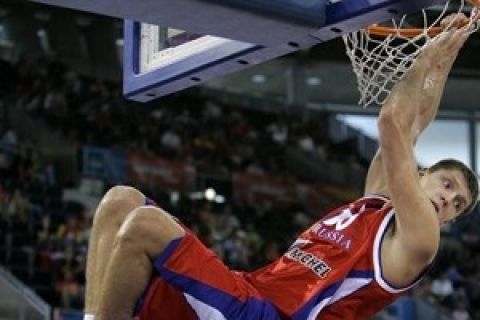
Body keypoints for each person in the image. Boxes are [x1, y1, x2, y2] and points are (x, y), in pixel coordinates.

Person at [83, 17, 479, 320]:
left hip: (270, 315)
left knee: (145, 225)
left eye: (457, 204)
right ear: (421, 173)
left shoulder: (420, 239)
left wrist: (425, 55)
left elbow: (393, 124)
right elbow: (412, 127)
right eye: (446, 184)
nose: (448, 199)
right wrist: (443, 60)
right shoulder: (374, 206)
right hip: (248, 291)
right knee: (120, 202)